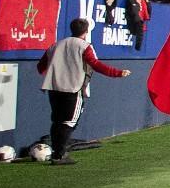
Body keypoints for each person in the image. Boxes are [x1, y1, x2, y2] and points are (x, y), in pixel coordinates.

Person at [35, 18, 131, 165]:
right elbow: (96, 65)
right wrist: (117, 73)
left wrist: (55, 73)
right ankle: (60, 155)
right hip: (73, 88)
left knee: (57, 121)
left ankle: (57, 152)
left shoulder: (56, 45)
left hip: (54, 89)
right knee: (69, 122)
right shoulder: (85, 46)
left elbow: (41, 66)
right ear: (86, 32)